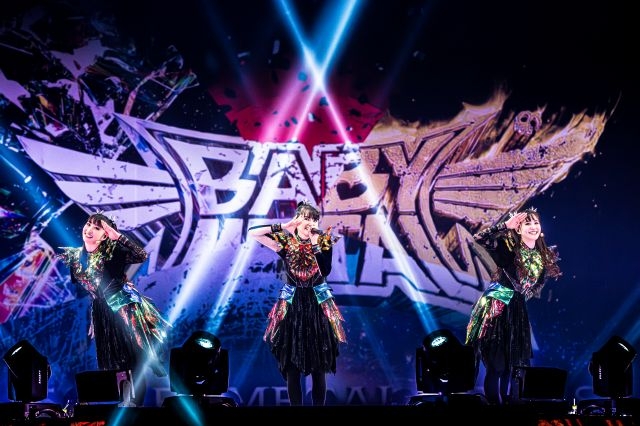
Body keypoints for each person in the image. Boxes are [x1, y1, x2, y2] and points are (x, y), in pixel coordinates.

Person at [57, 211, 171, 405]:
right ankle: (124, 400)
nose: (89, 230)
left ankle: (134, 402)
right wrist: (94, 317)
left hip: (123, 306)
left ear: (104, 235)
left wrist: (117, 237)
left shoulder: (112, 252)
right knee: (112, 360)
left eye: (97, 227)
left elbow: (141, 255)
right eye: (89, 224)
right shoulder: (75, 258)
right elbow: (89, 290)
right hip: (101, 311)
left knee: (132, 357)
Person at [248, 200, 346, 406]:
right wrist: (283, 226)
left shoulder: (324, 242)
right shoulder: (286, 243)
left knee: (319, 367)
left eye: (314, 220)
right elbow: (253, 233)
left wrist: (316, 245)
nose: (310, 223)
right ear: (297, 221)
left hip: (318, 304)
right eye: (306, 219)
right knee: (292, 367)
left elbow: (325, 270)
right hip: (292, 304)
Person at [465, 207, 561, 405]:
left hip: (517, 311)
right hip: (497, 307)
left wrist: (521, 298)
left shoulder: (542, 257)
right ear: (519, 229)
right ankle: (495, 407)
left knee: (513, 368)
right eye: (527, 223)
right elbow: (480, 238)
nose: (533, 227)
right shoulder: (508, 249)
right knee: (497, 367)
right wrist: (505, 226)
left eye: (536, 222)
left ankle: (510, 405)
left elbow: (534, 288)